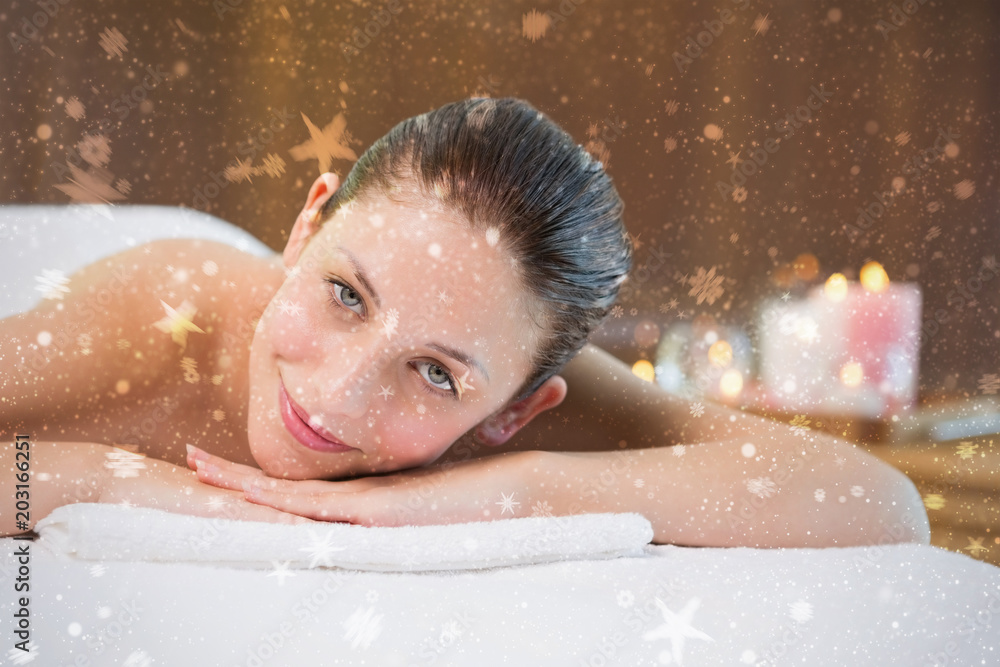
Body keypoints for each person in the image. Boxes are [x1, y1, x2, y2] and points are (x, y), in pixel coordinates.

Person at [1, 97, 929, 547]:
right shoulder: (158, 317)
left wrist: (516, 488)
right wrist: (112, 480)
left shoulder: (517, 393)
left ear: (519, 407)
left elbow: (881, 506)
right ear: (306, 224)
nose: (338, 393)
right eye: (347, 294)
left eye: (436, 373)